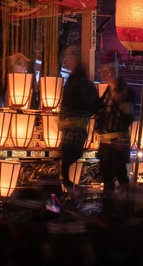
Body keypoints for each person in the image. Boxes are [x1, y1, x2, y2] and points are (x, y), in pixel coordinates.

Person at [58, 62, 99, 196]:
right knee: (72, 155)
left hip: (69, 128)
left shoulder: (70, 85)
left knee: (66, 158)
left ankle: (67, 182)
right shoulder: (88, 87)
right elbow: (95, 105)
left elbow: (64, 103)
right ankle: (68, 183)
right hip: (79, 129)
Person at [96, 63, 136, 197]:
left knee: (119, 171)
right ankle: (108, 200)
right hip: (106, 138)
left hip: (119, 139)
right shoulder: (108, 90)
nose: (103, 75)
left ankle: (126, 199)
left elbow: (128, 117)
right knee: (105, 170)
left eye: (105, 72)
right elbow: (100, 107)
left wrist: (120, 135)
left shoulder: (126, 93)